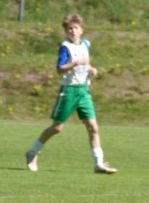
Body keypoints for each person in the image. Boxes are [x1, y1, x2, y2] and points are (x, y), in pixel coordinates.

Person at [25, 14, 117, 174]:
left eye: (75, 28)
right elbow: (59, 69)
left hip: (83, 90)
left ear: (81, 30)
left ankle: (99, 163)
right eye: (69, 29)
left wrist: (91, 69)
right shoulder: (65, 47)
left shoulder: (85, 44)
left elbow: (86, 63)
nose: (73, 31)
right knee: (57, 128)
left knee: (93, 127)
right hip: (69, 91)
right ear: (65, 30)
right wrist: (75, 63)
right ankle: (32, 152)